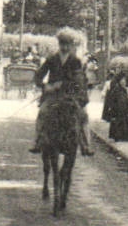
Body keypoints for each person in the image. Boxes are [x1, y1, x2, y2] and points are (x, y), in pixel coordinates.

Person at [29, 28, 92, 156]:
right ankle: (37, 141)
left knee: (83, 116)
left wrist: (63, 84)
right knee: (43, 112)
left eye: (68, 44)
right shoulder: (52, 59)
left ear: (71, 45)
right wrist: (46, 86)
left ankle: (86, 145)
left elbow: (78, 80)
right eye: (63, 43)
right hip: (53, 95)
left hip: (70, 95)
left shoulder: (76, 61)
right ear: (59, 44)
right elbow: (38, 77)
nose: (65, 46)